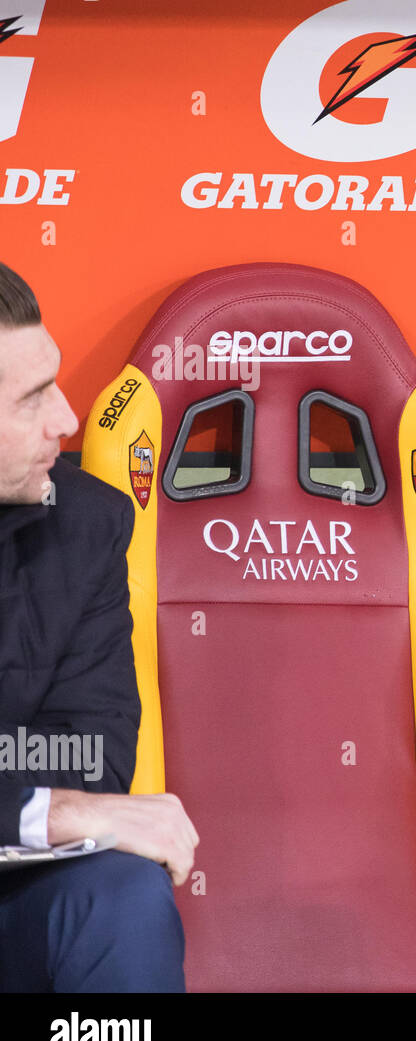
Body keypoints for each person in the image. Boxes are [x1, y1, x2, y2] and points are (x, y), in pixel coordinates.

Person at [0, 262, 197, 992]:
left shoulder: (86, 524)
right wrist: (34, 806)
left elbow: (91, 759)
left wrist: (44, 810)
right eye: (30, 400)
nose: (67, 419)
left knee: (120, 896)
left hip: (15, 902)